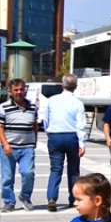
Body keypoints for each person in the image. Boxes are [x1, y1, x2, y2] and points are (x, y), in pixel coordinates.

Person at [39, 74, 86, 212]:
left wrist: (50, 133)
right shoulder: (78, 103)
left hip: (55, 136)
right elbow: (81, 125)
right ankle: (73, 198)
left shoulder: (51, 100)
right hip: (72, 136)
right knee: (73, 170)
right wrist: (82, 143)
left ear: (62, 85)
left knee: (55, 169)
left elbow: (46, 120)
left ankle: (52, 198)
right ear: (75, 87)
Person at [1, 78, 38, 212]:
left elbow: (34, 124)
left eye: (21, 89)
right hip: (9, 147)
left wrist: (35, 141)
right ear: (10, 91)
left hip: (27, 147)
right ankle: (9, 202)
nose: (19, 92)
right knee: (7, 177)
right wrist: (5, 144)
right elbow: (0, 127)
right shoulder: (4, 107)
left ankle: (25, 197)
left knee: (28, 173)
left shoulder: (32, 107)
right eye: (16, 90)